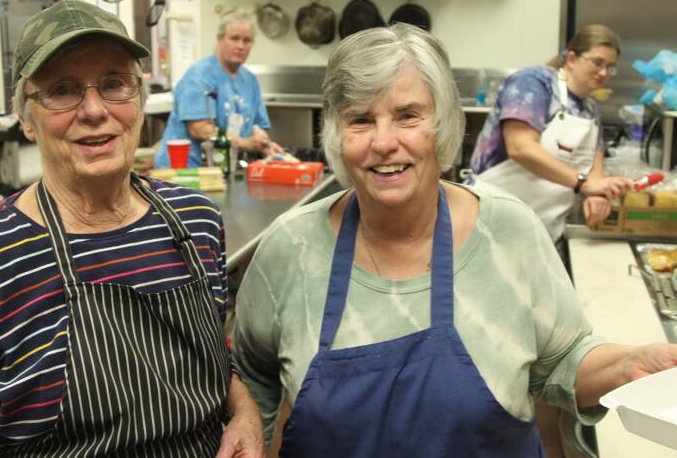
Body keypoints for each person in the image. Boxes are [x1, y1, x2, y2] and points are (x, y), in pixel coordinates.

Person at [231, 24, 677, 457]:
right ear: (336, 135)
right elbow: (253, 377)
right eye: (361, 120)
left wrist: (630, 365)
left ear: (444, 125)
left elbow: (564, 357)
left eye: (408, 116)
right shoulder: (290, 248)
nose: (384, 142)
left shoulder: (508, 232)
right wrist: (248, 419)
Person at [0, 0, 263, 457]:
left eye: (113, 84)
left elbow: (217, 363)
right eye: (63, 90)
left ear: (139, 101)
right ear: (25, 117)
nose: (94, 110)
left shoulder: (196, 220)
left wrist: (244, 412)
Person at [470, 24, 632, 264]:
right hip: (492, 223)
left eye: (610, 67)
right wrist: (582, 184)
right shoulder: (534, 82)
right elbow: (520, 147)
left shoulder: (590, 108)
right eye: (598, 62)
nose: (604, 72)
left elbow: (595, 165)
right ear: (572, 58)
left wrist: (597, 194)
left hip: (545, 233)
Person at [154, 12, 284, 168]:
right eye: (234, 38)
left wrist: (264, 143)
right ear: (220, 39)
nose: (241, 46)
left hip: (222, 167)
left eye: (247, 40)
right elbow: (200, 130)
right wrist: (246, 144)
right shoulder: (199, 76)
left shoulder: (250, 80)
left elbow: (257, 125)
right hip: (186, 169)